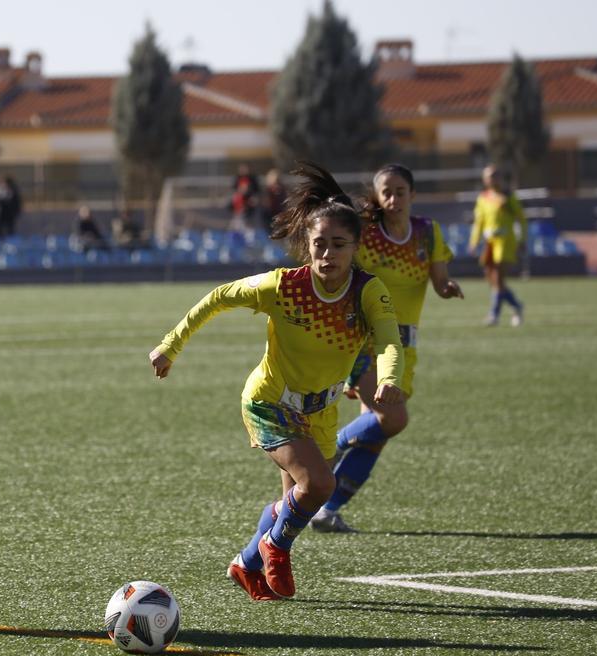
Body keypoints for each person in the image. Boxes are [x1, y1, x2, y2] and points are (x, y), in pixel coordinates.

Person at [149, 162, 403, 601]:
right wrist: (171, 345)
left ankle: (246, 563)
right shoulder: (284, 286)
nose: (328, 254)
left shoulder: (368, 290)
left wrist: (389, 377)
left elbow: (389, 341)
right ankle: (273, 545)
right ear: (306, 244)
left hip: (320, 410)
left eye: (339, 245)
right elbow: (219, 297)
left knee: (302, 500)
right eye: (319, 244)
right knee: (319, 485)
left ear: (356, 246)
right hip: (269, 402)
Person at [310, 164, 464, 534]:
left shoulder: (427, 233)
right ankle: (323, 451)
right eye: (387, 192)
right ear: (377, 197)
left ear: (413, 195)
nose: (394, 199)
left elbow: (439, 281)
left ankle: (326, 511)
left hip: (403, 345)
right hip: (363, 339)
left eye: (400, 191)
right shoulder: (365, 234)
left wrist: (447, 289)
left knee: (377, 436)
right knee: (393, 418)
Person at [468, 165, 526, 327]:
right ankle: (517, 305)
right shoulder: (483, 198)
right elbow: (479, 222)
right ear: (484, 180)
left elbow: (521, 219)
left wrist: (522, 240)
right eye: (489, 176)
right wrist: (474, 241)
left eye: (495, 175)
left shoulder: (508, 196)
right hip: (490, 243)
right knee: (491, 278)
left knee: (499, 278)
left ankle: (494, 315)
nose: (492, 179)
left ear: (500, 178)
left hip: (505, 242)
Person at [229, 164, 262, 231]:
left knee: (250, 227)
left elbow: (257, 191)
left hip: (250, 210)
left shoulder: (253, 179)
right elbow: (232, 203)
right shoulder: (237, 179)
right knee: (237, 227)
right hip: (239, 212)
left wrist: (254, 199)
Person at [0, 175, 23, 239]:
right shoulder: (1, 190)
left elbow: (15, 202)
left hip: (10, 213)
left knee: (9, 229)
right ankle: (0, 241)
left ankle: (9, 241)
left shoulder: (13, 190)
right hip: (2, 213)